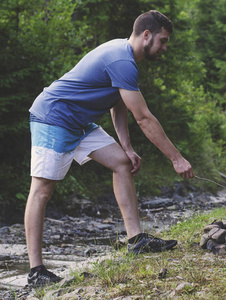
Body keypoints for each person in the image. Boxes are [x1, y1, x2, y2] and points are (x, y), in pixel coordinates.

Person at [25, 10, 194, 287]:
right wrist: (176, 159)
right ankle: (36, 272)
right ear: (146, 35)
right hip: (53, 117)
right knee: (42, 189)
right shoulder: (122, 59)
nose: (165, 48)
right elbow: (144, 118)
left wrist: (126, 147)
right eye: (163, 41)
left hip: (79, 122)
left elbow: (119, 103)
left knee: (121, 162)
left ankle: (136, 239)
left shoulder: (124, 58)